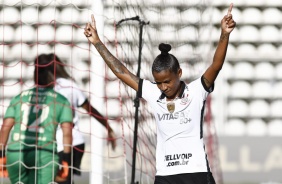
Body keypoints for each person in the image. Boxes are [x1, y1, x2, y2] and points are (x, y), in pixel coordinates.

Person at [84, 3, 236, 184]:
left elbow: (216, 65)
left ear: (179, 74)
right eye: (158, 83)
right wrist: (97, 43)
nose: (163, 87)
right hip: (165, 175)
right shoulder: (153, 93)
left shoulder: (196, 91)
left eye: (167, 81)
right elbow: (122, 72)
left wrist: (224, 34)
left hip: (196, 172)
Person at [36, 54, 117, 184]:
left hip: (58, 144)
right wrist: (108, 128)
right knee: (65, 179)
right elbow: (90, 109)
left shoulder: (39, 92)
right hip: (76, 143)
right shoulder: (69, 85)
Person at [0, 55, 73, 184]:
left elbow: (5, 128)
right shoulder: (61, 100)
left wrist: (1, 155)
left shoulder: (19, 97)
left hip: (16, 153)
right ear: (53, 75)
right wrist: (66, 160)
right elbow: (67, 133)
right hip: (44, 153)